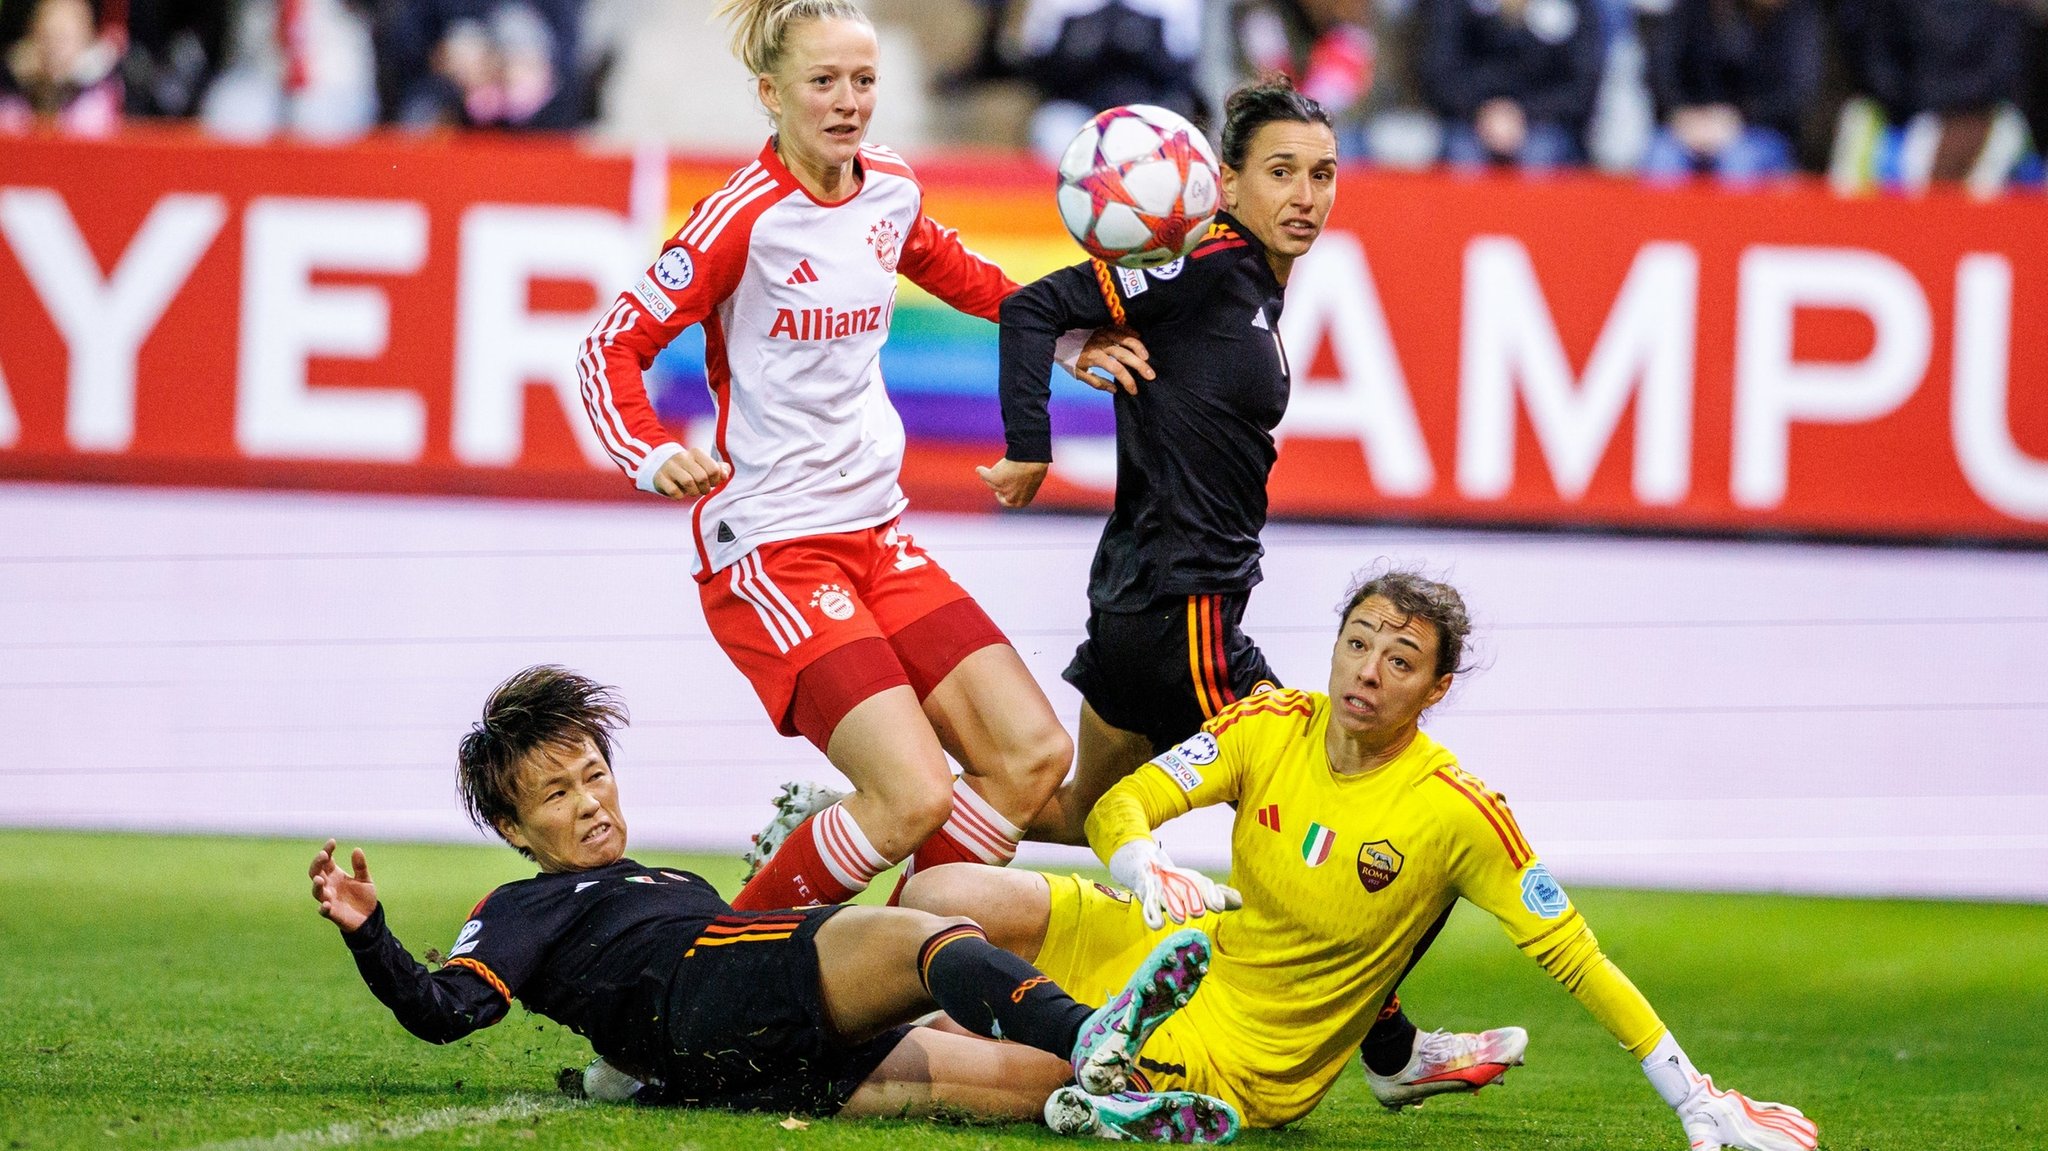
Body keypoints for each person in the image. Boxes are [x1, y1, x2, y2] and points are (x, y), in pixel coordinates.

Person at [977, 77, 1525, 1110]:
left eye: (1320, 174)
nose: (1305, 195)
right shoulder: (1206, 264)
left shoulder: (1241, 282)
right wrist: (1026, 451)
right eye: (1279, 172)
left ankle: (896, 818)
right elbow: (1027, 304)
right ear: (1220, 181)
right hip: (1187, 612)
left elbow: (1077, 322)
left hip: (1142, 599)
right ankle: (1393, 1052)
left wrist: (1088, 344)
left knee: (1082, 808)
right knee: (1373, 808)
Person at [900, 569, 1821, 1150]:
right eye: (1358, 643)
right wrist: (1141, 862)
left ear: (1437, 687)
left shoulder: (1456, 812)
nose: (1368, 672)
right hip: (1188, 947)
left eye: (1401, 660)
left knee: (923, 1059)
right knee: (940, 890)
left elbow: (1577, 958)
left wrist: (1694, 1097)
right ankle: (1082, 1066)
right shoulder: (1272, 723)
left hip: (1248, 1055)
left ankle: (1071, 1069)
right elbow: (1124, 799)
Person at [574, 0, 1142, 913]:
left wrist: (1069, 339)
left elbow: (963, 271)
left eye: (865, 81)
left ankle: (896, 968)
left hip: (877, 539)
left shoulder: (888, 188)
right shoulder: (740, 219)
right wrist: (649, 451)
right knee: (913, 792)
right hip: (774, 549)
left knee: (1032, 755)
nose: (849, 102)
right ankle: (710, 995)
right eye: (823, 82)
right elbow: (610, 345)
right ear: (771, 93)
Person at [307, 664, 1240, 1141]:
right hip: (713, 999)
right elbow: (446, 1010)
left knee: (1014, 1077)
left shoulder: (670, 883)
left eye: (593, 775)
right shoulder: (520, 903)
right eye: (555, 795)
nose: (589, 801)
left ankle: (1116, 1095)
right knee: (927, 941)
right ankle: (1092, 1031)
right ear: (515, 828)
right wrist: (372, 936)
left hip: (740, 1062)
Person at [1642, 0, 1821, 186]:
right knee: (1661, 156)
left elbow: (1797, 93)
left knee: (1738, 162)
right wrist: (1683, 114)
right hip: (1690, 126)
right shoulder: (1692, 8)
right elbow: (1660, 71)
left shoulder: (1797, 16)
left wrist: (1738, 118)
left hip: (1760, 132)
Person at [1417, 0, 1603, 170]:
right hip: (1470, 118)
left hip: (1546, 121)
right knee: (1463, 157)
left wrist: (1525, 113)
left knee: (1541, 155)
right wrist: (1483, 111)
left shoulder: (1577, 5)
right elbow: (1439, 72)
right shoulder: (1454, 5)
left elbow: (1582, 86)